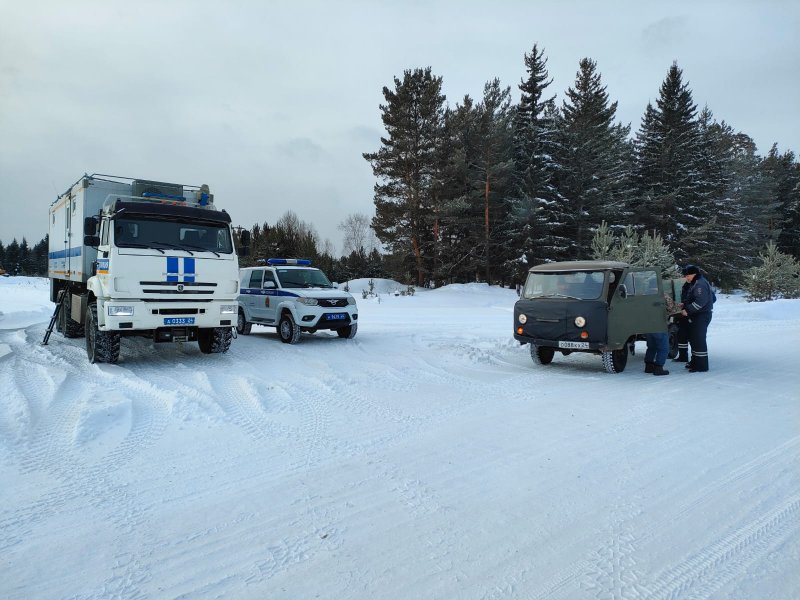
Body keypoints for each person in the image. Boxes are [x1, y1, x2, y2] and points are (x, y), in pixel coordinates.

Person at [680, 264, 714, 372]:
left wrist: (688, 309)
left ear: (693, 274)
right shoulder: (695, 283)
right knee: (694, 339)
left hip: (701, 315)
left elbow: (700, 301)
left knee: (699, 340)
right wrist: (684, 305)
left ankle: (701, 366)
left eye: (687, 275)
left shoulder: (700, 284)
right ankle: (695, 362)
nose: (686, 278)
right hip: (697, 315)